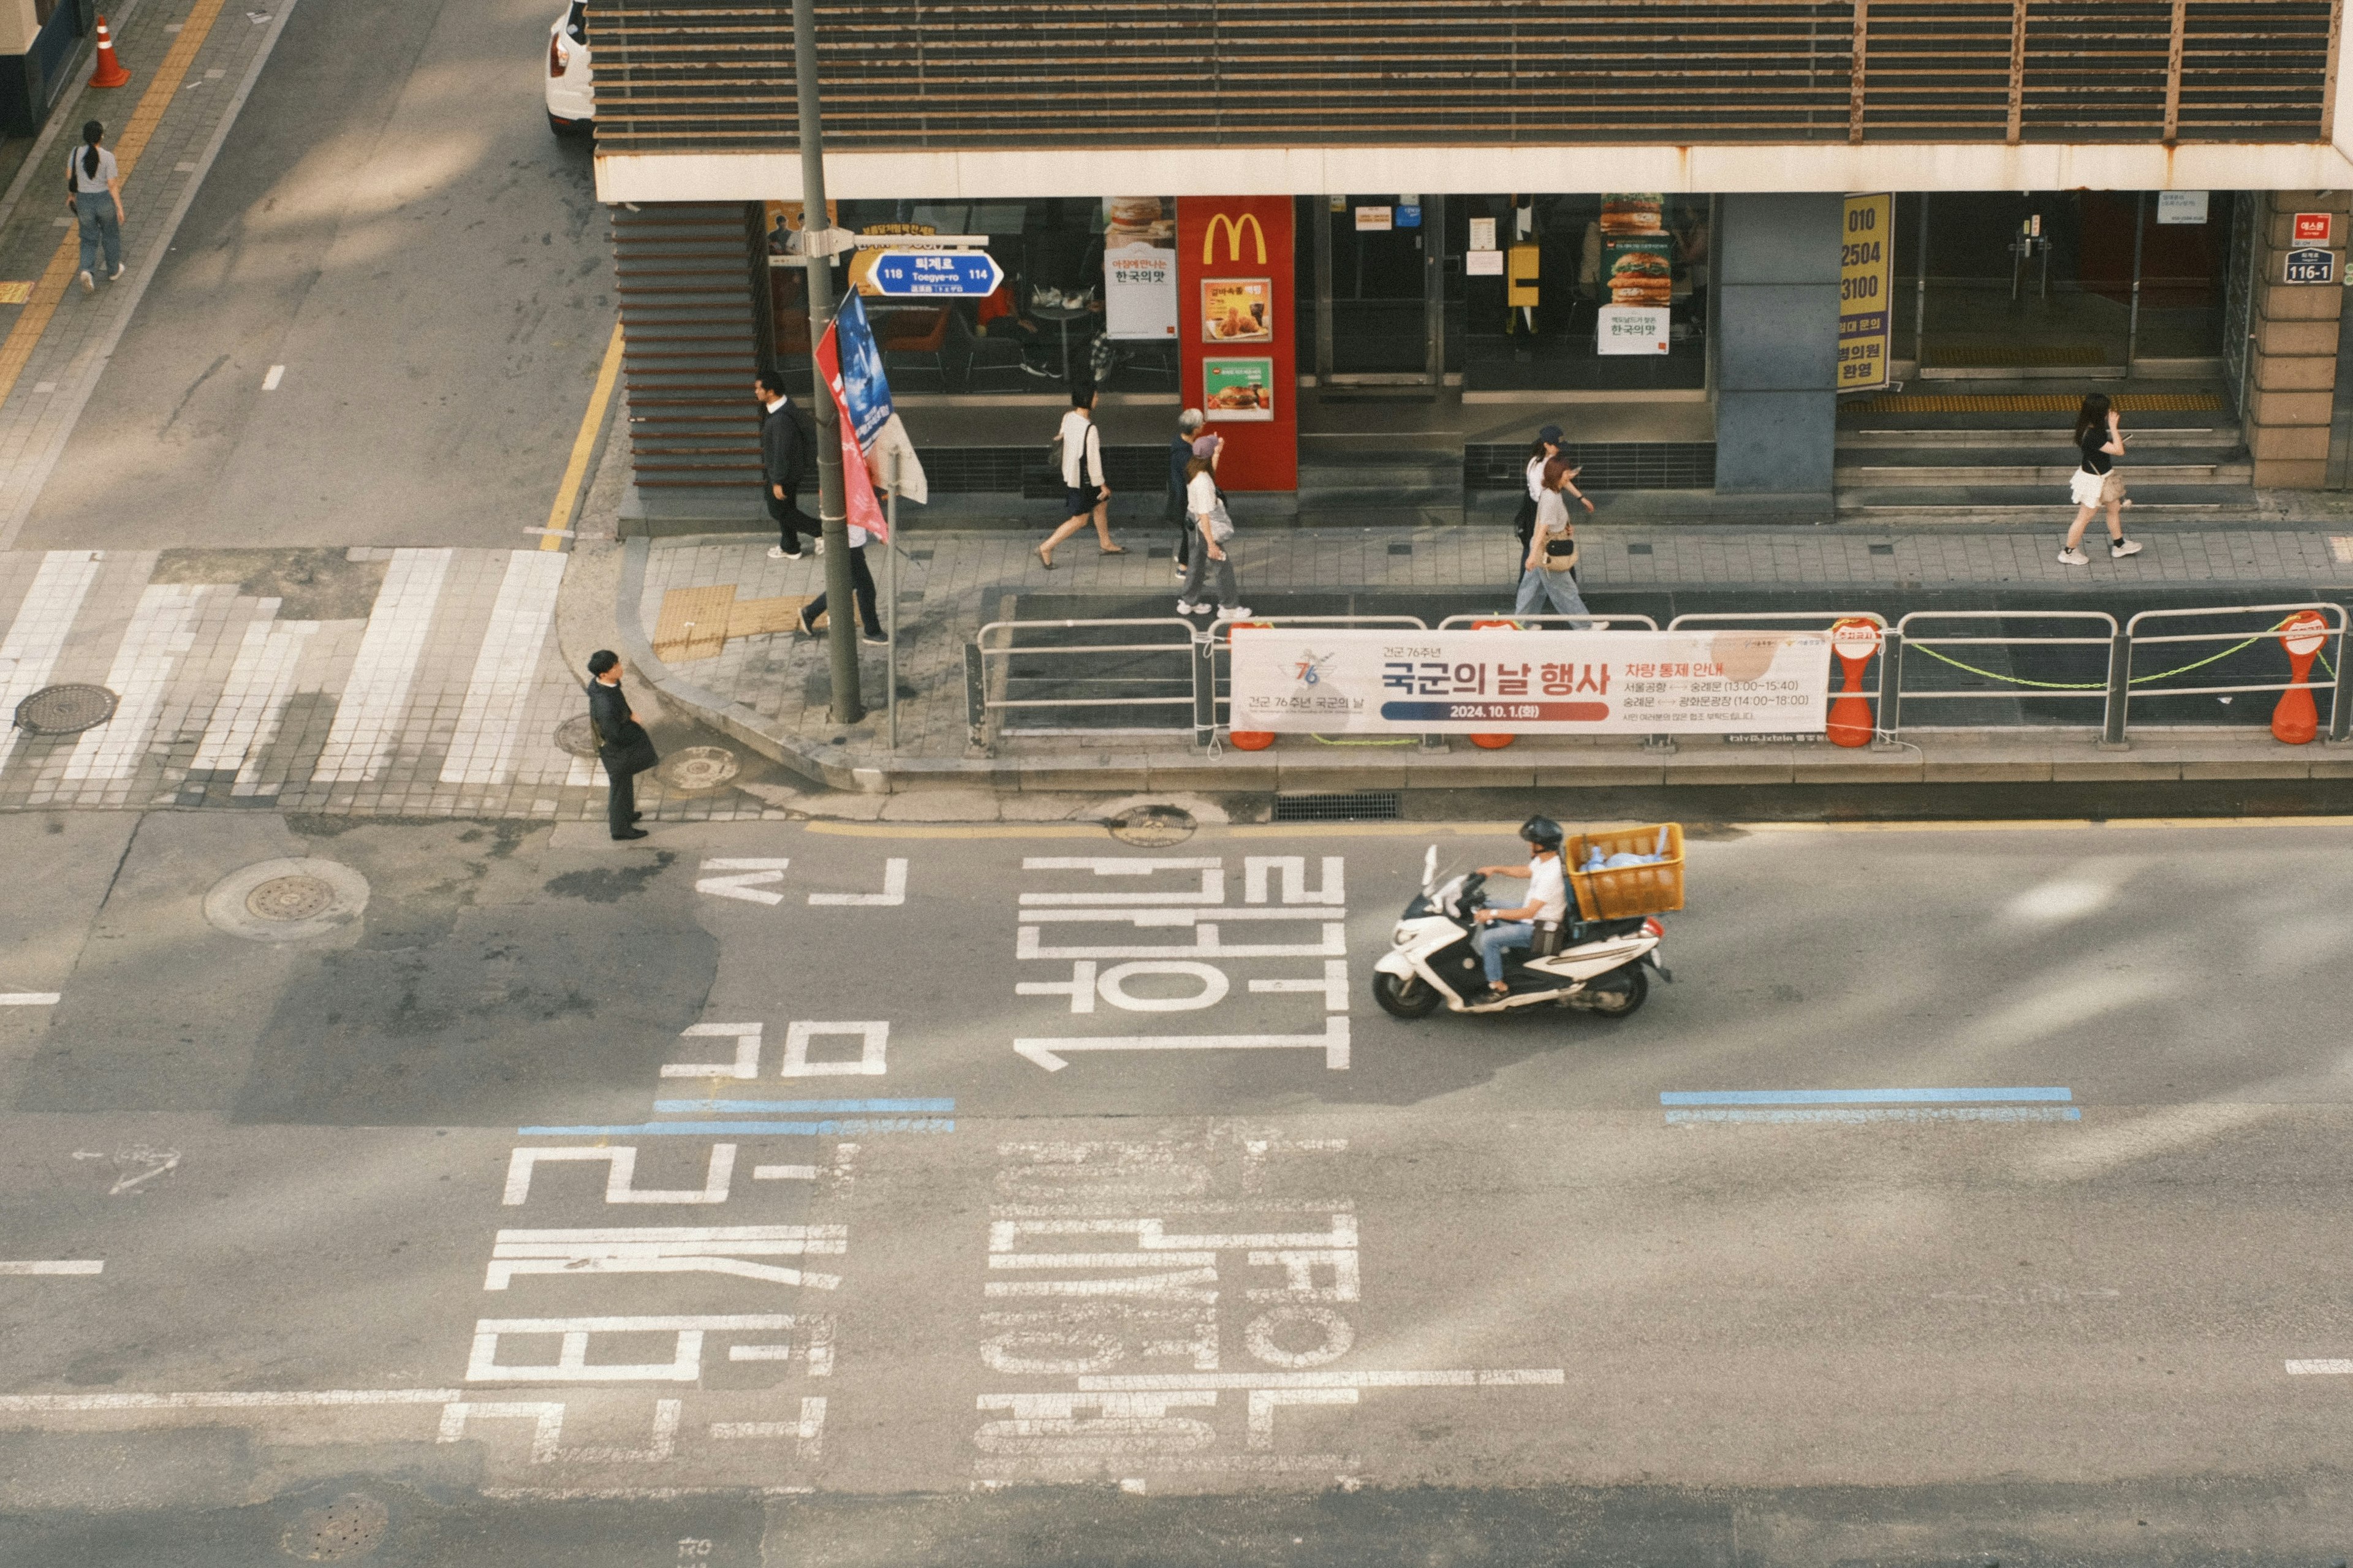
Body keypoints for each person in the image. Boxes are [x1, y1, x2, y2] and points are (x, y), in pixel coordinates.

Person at [1469, 817, 1571, 999]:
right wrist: (1495, 869)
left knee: (1488, 939)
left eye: (1531, 842)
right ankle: (1496, 958)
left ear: (1541, 845)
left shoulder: (1552, 874)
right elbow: (1526, 871)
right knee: (1484, 905)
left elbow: (1528, 912)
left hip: (1540, 928)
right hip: (1533, 915)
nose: (1529, 845)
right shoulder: (1545, 860)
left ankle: (1498, 986)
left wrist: (1492, 914)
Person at [1037, 385, 1123, 567]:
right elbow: (1093, 461)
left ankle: (1105, 542)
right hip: (1083, 480)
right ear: (1087, 400)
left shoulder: (1068, 417)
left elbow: (1061, 437)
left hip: (1071, 473)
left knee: (1101, 503)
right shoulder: (1090, 429)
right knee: (1081, 520)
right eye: (1095, 396)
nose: (1098, 399)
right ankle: (1046, 547)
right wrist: (1102, 484)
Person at [1513, 457, 1596, 626]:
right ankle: (1585, 626)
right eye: (1567, 473)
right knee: (1566, 590)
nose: (1571, 476)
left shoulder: (1552, 491)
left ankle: (1523, 625)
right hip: (1548, 552)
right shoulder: (1552, 498)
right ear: (1558, 475)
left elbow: (1554, 519)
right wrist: (1532, 556)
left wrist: (1566, 526)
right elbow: (1543, 529)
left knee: (1531, 589)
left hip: (1541, 549)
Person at [2061, 392, 2142, 565]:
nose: (2109, 413)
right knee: (2084, 517)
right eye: (2106, 410)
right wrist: (2114, 426)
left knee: (2114, 508)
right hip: (2094, 482)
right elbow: (2119, 451)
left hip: (2101, 477)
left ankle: (2119, 545)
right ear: (2100, 413)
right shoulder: (2093, 434)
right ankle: (2068, 552)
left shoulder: (2088, 426)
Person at [585, 650, 655, 842]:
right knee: (620, 787)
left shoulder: (604, 685)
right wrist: (634, 723)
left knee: (624, 782)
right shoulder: (604, 704)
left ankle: (626, 814)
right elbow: (614, 734)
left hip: (614, 748)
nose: (620, 668)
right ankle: (621, 829)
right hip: (615, 751)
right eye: (614, 667)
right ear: (603, 675)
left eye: (618, 663)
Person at [1176, 450, 1249, 620]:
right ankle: (1229, 607)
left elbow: (1210, 475)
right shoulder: (1203, 482)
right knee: (1222, 566)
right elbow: (1205, 516)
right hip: (1202, 525)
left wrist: (1216, 454)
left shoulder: (1194, 471)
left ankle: (1189, 602)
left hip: (1191, 520)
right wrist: (1212, 545)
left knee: (1195, 562)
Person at [796, 518, 887, 646]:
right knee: (866, 589)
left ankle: (811, 612)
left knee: (849, 584)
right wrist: (879, 533)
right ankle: (873, 631)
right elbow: (862, 511)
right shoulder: (851, 497)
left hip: (849, 542)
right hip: (849, 543)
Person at [757, 369, 814, 560]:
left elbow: (781, 452)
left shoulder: (780, 419)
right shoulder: (782, 407)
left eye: (759, 389)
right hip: (790, 470)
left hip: (785, 473)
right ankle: (791, 547)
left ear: (770, 392)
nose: (756, 392)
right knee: (787, 509)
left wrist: (777, 481)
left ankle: (822, 531)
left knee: (778, 510)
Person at [67, 121, 122, 294]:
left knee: (88, 239)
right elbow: (112, 185)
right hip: (104, 200)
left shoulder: (75, 153)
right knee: (110, 235)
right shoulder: (107, 157)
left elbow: (70, 176)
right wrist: (119, 208)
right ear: (101, 137)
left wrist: (71, 196)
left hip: (84, 201)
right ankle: (113, 271)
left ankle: (86, 270)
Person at [1167, 409, 1206, 578]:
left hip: (1180, 494)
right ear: (1195, 429)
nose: (1204, 424)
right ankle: (1184, 568)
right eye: (1201, 422)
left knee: (1189, 531)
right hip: (1186, 498)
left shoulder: (1178, 443)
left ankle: (1186, 561)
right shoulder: (1185, 455)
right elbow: (1199, 476)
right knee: (1191, 532)